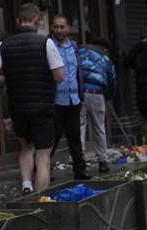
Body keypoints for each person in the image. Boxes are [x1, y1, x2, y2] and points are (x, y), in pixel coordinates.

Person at [0, 3, 64, 193]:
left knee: (25, 147)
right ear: (37, 21)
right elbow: (59, 76)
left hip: (18, 107)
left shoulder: (3, 45)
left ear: (17, 21)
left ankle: (26, 185)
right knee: (43, 156)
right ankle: (40, 198)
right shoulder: (46, 43)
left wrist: (10, 79)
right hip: (42, 108)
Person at [49, 15, 87, 181]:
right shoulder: (48, 46)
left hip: (73, 98)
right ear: (51, 28)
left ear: (68, 28)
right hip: (56, 100)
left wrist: (81, 94)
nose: (59, 30)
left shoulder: (74, 46)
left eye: (62, 27)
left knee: (74, 136)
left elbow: (78, 71)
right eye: (56, 27)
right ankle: (43, 168)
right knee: (54, 136)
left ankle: (80, 170)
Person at [79, 38, 115, 173]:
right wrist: (108, 95)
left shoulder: (79, 52)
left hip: (80, 93)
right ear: (105, 49)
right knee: (99, 128)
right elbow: (112, 79)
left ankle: (80, 160)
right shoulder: (105, 58)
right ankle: (102, 161)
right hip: (97, 93)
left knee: (80, 127)